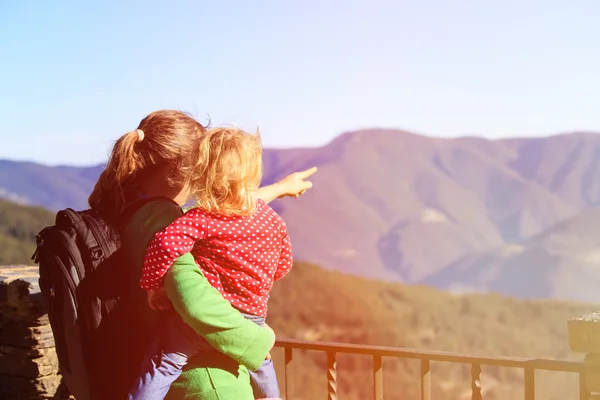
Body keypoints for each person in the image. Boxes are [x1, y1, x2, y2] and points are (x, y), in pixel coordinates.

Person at [88, 110, 316, 399]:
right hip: (210, 381)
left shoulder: (143, 212)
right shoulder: (165, 221)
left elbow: (227, 210)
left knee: (162, 364)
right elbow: (196, 302)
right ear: (188, 169)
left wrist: (281, 188)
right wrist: (257, 343)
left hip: (191, 370)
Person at [129, 126, 292, 400]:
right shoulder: (271, 219)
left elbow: (164, 245)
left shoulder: (200, 218)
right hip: (252, 320)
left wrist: (153, 286)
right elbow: (283, 264)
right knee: (262, 364)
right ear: (252, 174)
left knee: (163, 365)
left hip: (198, 327)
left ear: (203, 174)